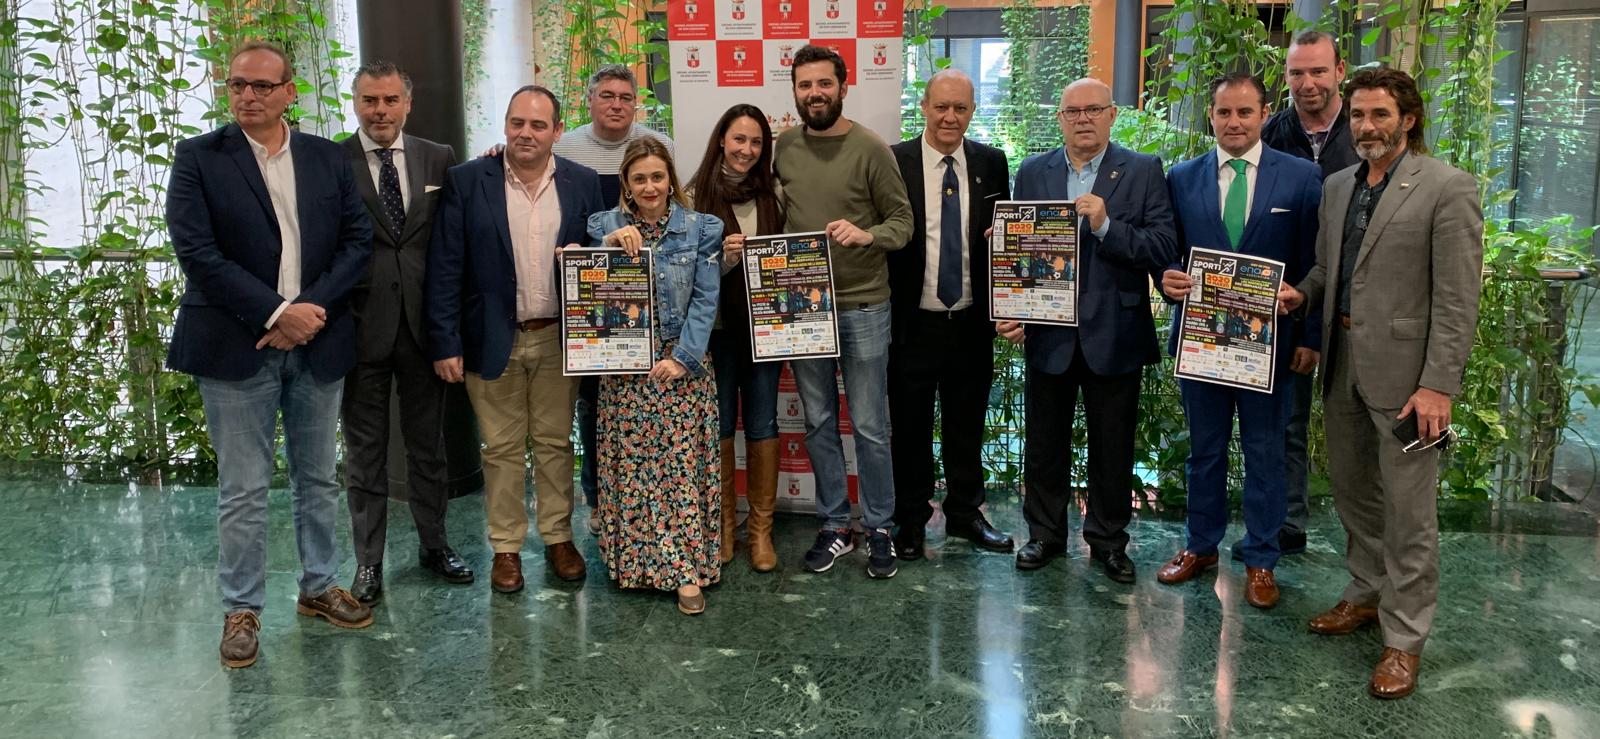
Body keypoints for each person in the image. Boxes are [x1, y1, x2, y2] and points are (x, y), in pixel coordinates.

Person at [166, 41, 375, 668]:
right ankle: (242, 608)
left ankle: (317, 587)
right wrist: (276, 313)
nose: (247, 97)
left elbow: (357, 242)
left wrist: (306, 313)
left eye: (261, 86)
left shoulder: (325, 159)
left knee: (316, 476)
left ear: (291, 93)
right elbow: (198, 254)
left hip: (316, 340)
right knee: (244, 487)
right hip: (235, 346)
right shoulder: (199, 158)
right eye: (237, 86)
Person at [1276, 67, 1483, 699]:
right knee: (1354, 496)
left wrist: (1439, 387)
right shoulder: (1338, 186)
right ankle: (1364, 595)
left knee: (1411, 513)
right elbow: (1326, 268)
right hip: (1342, 368)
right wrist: (1299, 294)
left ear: (1408, 118)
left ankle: (1404, 639)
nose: (1367, 127)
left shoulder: (1448, 188)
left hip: (1411, 386)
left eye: (1380, 115)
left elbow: (1456, 299)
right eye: (1360, 116)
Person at [425, 85, 605, 594]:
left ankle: (557, 538)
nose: (526, 133)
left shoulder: (583, 182)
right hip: (490, 337)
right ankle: (506, 547)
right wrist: (445, 342)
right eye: (517, 123)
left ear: (557, 131)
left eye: (538, 125)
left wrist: (581, 257)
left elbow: (599, 253)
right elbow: (444, 267)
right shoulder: (467, 180)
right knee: (500, 448)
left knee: (553, 444)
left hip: (555, 339)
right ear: (505, 125)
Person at [998, 78, 1177, 583]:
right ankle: (1045, 536)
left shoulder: (1142, 170)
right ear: (1059, 118)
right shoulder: (1034, 171)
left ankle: (1108, 542)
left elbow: (1162, 246)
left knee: (1113, 447)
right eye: (1072, 111)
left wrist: (1105, 225)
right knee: (1044, 444)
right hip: (1048, 334)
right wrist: (1013, 306)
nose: (1083, 119)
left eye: (1093, 109)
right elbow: (1021, 253)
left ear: (1112, 114)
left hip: (1115, 331)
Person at [1155, 73, 1323, 609]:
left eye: (1244, 113)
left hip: (1268, 345)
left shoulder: (1301, 178)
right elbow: (1168, 249)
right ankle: (1200, 546)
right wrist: (1166, 276)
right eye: (1224, 113)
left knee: (1266, 452)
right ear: (1211, 115)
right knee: (1203, 452)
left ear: (1264, 114)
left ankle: (1261, 559)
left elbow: (1318, 265)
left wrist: (1310, 336)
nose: (1233, 122)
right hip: (1202, 341)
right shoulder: (1181, 178)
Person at [773, 44, 914, 579]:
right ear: (795, 92)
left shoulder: (871, 148)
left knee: (872, 425)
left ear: (843, 86)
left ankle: (878, 525)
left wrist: (867, 234)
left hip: (863, 305)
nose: (815, 94)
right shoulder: (783, 146)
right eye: (805, 85)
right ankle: (835, 524)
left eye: (823, 84)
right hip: (802, 307)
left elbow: (902, 223)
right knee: (818, 421)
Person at [339, 60, 471, 605]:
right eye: (370, 100)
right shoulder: (331, 160)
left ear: (407, 103)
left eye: (390, 100)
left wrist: (449, 335)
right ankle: (368, 563)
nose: (380, 110)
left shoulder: (436, 157)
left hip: (424, 331)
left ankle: (434, 545)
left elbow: (452, 244)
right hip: (357, 332)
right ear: (355, 103)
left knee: (428, 448)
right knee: (365, 455)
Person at [588, 137, 724, 615]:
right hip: (624, 368)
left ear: (671, 180)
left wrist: (683, 358)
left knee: (680, 471)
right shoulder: (603, 225)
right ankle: (635, 563)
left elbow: (707, 299)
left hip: (682, 364)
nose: (649, 186)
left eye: (657, 177)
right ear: (626, 182)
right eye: (639, 178)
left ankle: (685, 571)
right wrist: (606, 247)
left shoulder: (701, 228)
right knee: (634, 470)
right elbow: (584, 283)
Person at [887, 69, 1013, 560]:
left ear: (972, 111)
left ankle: (964, 514)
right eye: (941, 106)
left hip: (970, 321)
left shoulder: (992, 163)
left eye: (960, 108)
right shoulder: (894, 161)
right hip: (911, 321)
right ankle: (912, 519)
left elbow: (1007, 242)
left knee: (967, 424)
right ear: (924, 107)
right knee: (911, 425)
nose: (949, 117)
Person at [1254, 29, 1363, 560]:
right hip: (1286, 300)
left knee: (1358, 426)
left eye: (1318, 71)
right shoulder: (1271, 133)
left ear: (1340, 71)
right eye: (1297, 73)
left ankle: (1364, 542)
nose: (1307, 83)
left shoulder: (1363, 130)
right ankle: (1285, 522)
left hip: (1354, 304)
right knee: (1286, 420)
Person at [553, 65, 676, 525]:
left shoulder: (660, 147)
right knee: (592, 400)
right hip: (589, 297)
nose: (617, 104)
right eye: (608, 95)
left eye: (626, 97)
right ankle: (598, 498)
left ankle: (644, 500)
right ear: (590, 100)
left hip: (647, 301)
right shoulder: (563, 147)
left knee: (638, 400)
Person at [686, 103, 785, 573]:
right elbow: (680, 272)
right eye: (738, 139)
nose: (746, 150)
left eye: (756, 142)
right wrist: (721, 260)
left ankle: (760, 532)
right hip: (717, 335)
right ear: (721, 139)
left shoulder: (775, 194)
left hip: (766, 332)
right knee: (721, 426)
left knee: (763, 424)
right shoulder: (691, 195)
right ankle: (725, 527)